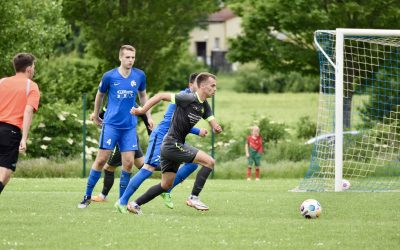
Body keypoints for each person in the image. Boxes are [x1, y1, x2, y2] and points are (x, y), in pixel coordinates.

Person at [117, 72, 222, 215]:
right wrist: (142, 110)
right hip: (170, 142)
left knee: (166, 184)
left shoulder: (205, 106)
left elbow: (212, 121)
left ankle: (135, 204)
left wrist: (216, 127)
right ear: (202, 86)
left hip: (172, 145)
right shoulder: (187, 97)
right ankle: (193, 197)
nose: (215, 88)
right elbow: (160, 96)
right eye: (213, 85)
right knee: (209, 162)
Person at [78, 45, 153, 208]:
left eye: (133, 57)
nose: (131, 60)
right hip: (111, 125)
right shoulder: (109, 76)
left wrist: (148, 115)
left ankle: (121, 202)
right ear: (120, 58)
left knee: (128, 164)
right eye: (127, 57)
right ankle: (87, 196)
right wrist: (96, 114)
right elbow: (100, 95)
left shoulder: (139, 75)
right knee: (101, 160)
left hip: (129, 127)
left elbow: (143, 96)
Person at [90, 106, 152, 202]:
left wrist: (150, 132)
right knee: (144, 166)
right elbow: (105, 112)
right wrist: (96, 115)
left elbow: (143, 114)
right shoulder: (113, 99)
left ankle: (104, 196)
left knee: (109, 168)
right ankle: (170, 170)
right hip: (131, 136)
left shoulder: (129, 100)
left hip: (123, 137)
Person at [0, 53, 40, 194]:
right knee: (4, 173)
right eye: (34, 66)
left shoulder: (2, 82)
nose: (34, 69)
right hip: (10, 132)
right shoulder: (32, 86)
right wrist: (24, 138)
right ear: (29, 69)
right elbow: (28, 111)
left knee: (5, 174)